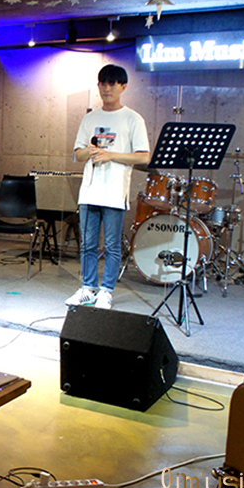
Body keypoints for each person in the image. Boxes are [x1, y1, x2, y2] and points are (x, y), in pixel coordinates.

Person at [65, 64, 150, 310]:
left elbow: (143, 157)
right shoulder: (90, 118)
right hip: (89, 191)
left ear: (123, 87)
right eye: (103, 83)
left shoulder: (133, 118)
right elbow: (78, 154)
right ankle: (88, 288)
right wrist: (90, 151)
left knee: (112, 246)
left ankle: (106, 291)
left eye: (112, 84)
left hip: (114, 192)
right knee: (88, 244)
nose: (107, 88)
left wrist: (110, 155)